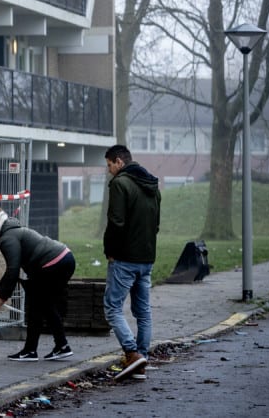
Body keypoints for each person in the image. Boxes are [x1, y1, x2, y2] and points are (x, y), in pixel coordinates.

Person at [0, 207, 76, 362]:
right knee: (45, 306)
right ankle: (60, 346)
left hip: (52, 263)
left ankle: (32, 351)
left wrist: (3, 297)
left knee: (36, 306)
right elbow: (12, 268)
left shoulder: (6, 238)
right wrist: (0, 290)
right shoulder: (10, 231)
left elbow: (13, 268)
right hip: (63, 259)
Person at [103, 144, 161, 381]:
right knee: (143, 312)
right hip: (146, 257)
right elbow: (156, 224)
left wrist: (110, 251)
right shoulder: (152, 185)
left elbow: (116, 222)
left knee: (112, 307)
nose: (109, 170)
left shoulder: (120, 183)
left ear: (119, 161)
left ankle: (132, 353)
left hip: (124, 258)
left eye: (109, 165)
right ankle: (141, 361)